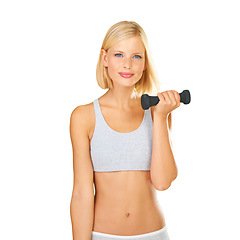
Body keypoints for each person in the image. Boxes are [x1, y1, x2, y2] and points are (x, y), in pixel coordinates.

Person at [70, 20, 180, 240]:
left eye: (136, 56)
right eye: (119, 55)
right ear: (105, 59)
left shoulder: (158, 112)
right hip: (103, 235)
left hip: (155, 234)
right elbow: (82, 193)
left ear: (145, 63)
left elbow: (163, 181)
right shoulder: (83, 117)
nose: (127, 64)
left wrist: (160, 117)